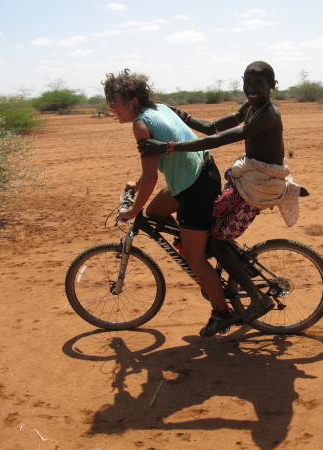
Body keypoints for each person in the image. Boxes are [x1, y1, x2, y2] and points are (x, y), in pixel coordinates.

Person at [138, 61, 305, 328]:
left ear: (272, 87)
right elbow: (213, 127)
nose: (251, 89)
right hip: (250, 178)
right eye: (247, 82)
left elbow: (217, 140)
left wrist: (168, 146)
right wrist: (180, 114)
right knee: (213, 229)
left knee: (215, 242)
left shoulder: (267, 115)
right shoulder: (253, 107)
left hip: (259, 186)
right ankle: (236, 268)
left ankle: (257, 299)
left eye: (259, 84)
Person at [103, 69, 241, 338]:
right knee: (155, 211)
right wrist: (138, 185)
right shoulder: (160, 108)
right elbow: (151, 169)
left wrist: (132, 211)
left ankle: (223, 313)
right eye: (109, 102)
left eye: (115, 101)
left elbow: (153, 176)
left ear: (133, 100)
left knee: (194, 257)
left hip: (195, 186)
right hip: (200, 173)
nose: (111, 107)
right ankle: (192, 245)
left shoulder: (140, 124)